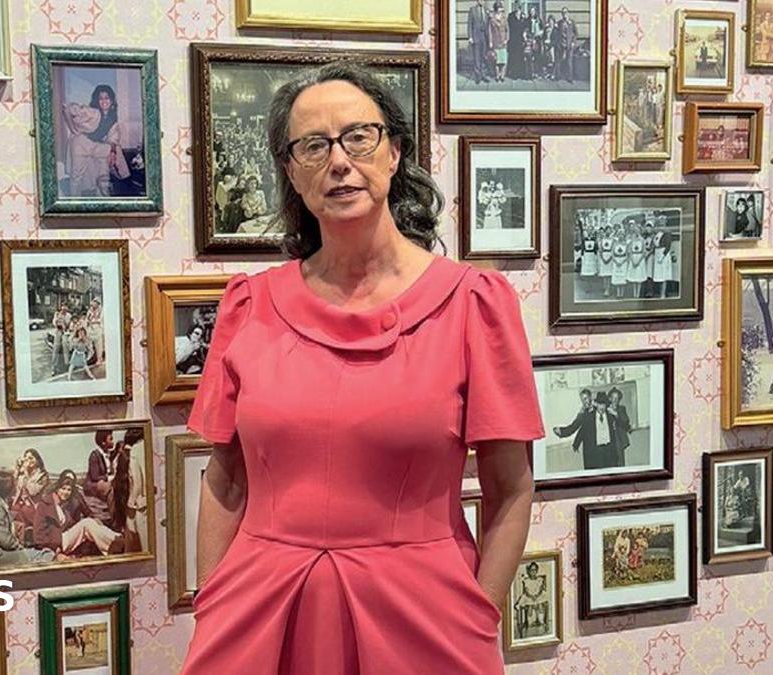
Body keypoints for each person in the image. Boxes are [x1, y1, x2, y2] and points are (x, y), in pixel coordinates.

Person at [179, 61, 544, 674]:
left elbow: (511, 489)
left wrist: (478, 617)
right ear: (292, 173)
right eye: (314, 146)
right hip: (259, 614)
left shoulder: (472, 303)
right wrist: (212, 603)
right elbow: (226, 477)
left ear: (395, 151)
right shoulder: (249, 305)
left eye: (358, 136)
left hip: (423, 619)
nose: (339, 161)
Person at [31, 470, 122, 556]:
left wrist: (94, 520)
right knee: (86, 523)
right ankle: (115, 543)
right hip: (55, 544)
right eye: (63, 489)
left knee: (89, 522)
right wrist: (53, 549)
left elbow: (86, 511)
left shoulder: (69, 503)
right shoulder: (45, 505)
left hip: (65, 537)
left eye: (69, 490)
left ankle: (117, 539)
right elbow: (38, 534)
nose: (66, 492)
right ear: (57, 489)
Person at [63, 84, 130, 197]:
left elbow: (114, 137)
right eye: (101, 98)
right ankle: (73, 202)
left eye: (107, 98)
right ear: (97, 101)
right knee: (76, 176)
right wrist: (74, 127)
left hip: (95, 145)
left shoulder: (113, 117)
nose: (104, 101)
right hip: (81, 143)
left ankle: (114, 188)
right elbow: (71, 110)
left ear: (112, 100)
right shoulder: (92, 112)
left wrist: (113, 152)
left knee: (111, 153)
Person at [468, 1, 492, 83]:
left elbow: (489, 24)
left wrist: (490, 17)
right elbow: (469, 24)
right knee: (477, 57)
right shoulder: (472, 10)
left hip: (485, 37)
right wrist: (470, 37)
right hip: (476, 37)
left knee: (484, 56)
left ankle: (484, 75)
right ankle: (477, 76)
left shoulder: (486, 10)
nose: (482, 1)